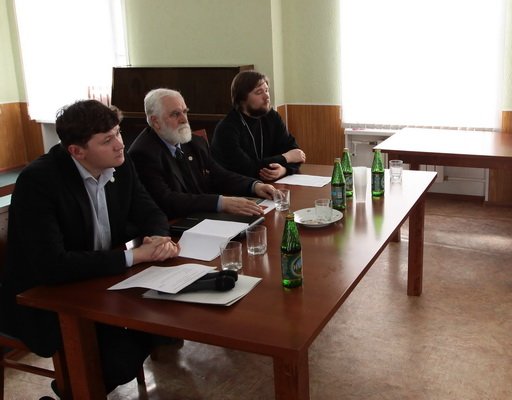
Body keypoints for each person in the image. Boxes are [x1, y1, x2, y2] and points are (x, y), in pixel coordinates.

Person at [0, 100, 180, 394]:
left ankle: (74, 390)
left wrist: (158, 238)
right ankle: (75, 390)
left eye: (118, 133)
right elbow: (53, 265)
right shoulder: (39, 181)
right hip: (44, 295)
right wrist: (133, 256)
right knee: (120, 359)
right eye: (107, 140)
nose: (120, 144)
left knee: (167, 323)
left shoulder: (121, 164)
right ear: (77, 151)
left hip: (98, 282)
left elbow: (150, 212)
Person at [128, 88, 275, 220]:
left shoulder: (194, 142)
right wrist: (220, 203)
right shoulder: (142, 154)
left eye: (185, 111)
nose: (184, 120)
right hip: (174, 226)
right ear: (155, 121)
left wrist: (254, 186)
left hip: (203, 217)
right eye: (175, 114)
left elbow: (219, 175)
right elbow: (167, 200)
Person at [211, 70, 306, 181]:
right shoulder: (227, 128)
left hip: (270, 184)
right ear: (242, 99)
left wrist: (284, 170)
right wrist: (286, 158)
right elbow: (247, 169)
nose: (266, 96)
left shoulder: (272, 117)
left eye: (266, 90)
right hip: (236, 187)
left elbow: (296, 153)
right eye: (259, 92)